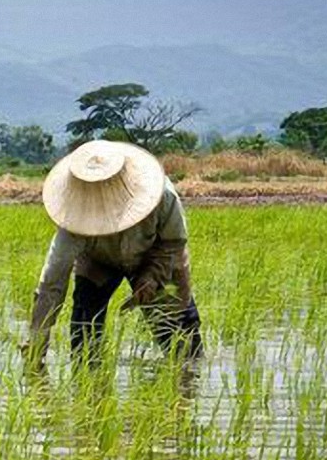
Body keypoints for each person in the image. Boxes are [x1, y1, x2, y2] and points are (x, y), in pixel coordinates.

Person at [23, 140, 202, 373]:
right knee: (85, 335)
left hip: (155, 255)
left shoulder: (163, 196)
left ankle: (187, 385)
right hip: (98, 262)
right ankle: (90, 392)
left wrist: (151, 276)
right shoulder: (73, 219)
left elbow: (174, 243)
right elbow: (52, 283)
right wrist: (37, 343)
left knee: (182, 338)